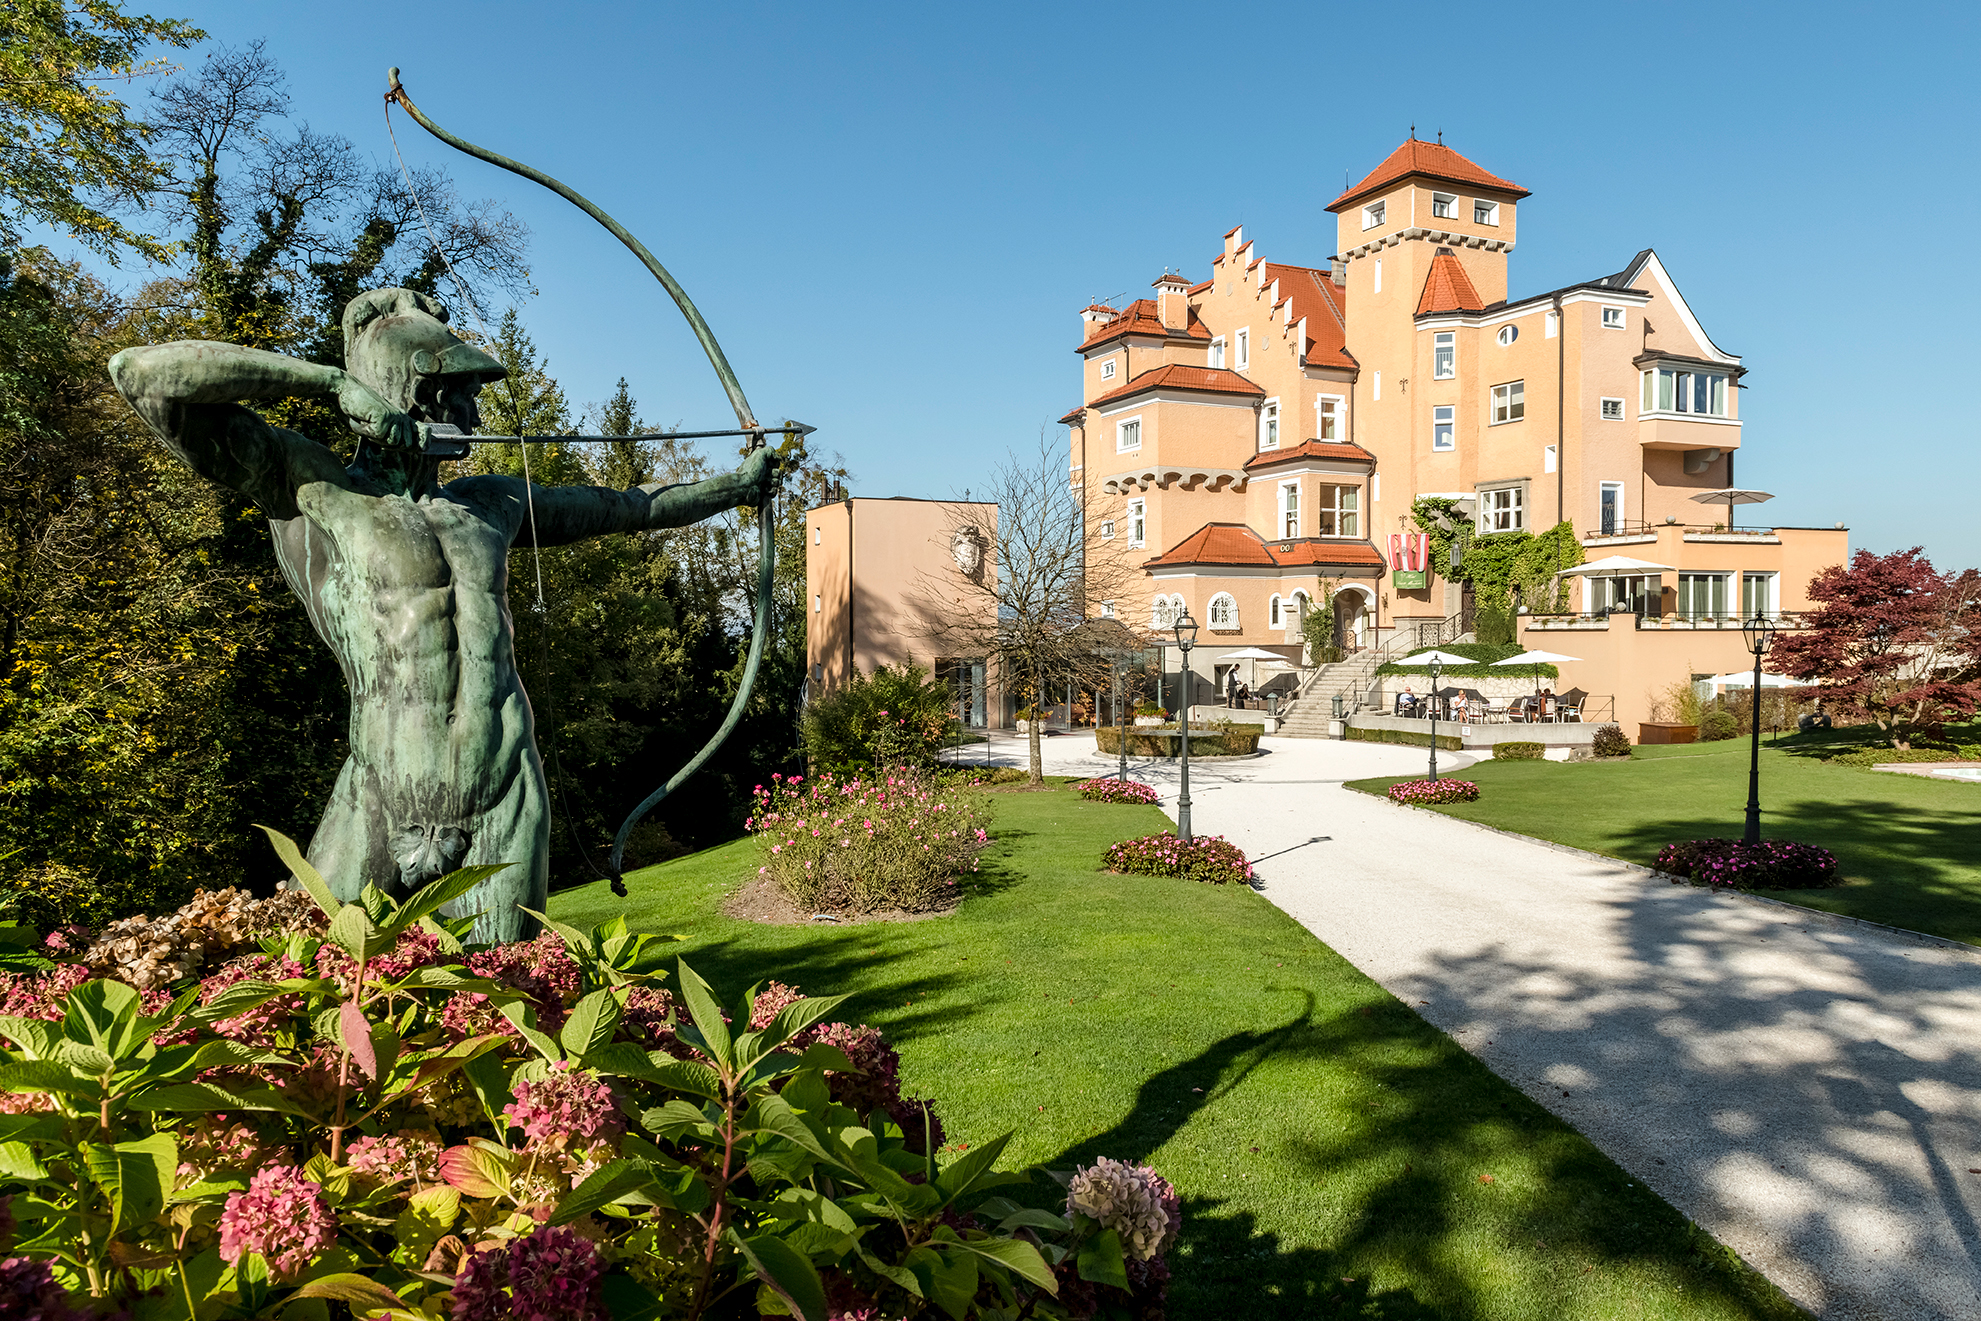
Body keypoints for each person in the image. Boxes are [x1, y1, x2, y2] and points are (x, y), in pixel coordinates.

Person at [109, 287, 780, 942]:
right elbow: (139, 373)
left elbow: (629, 506)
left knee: (507, 1005)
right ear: (402, 391)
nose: (472, 405)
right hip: (376, 791)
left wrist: (735, 487)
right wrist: (329, 384)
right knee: (308, 988)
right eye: (452, 391)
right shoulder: (313, 485)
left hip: (503, 786)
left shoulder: (488, 503)